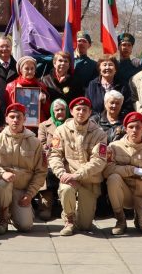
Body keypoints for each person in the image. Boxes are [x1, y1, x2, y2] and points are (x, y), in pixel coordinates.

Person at [0, 102, 48, 234]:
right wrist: (1, 172)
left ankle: (16, 211)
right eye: (12, 117)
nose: (15, 120)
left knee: (25, 226)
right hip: (1, 185)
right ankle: (3, 219)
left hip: (22, 190)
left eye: (19, 117)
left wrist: (29, 194)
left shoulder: (35, 142)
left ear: (24, 119)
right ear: (6, 119)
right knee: (3, 184)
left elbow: (41, 171)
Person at [48, 96, 107, 236]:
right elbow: (54, 155)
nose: (81, 112)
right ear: (72, 112)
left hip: (89, 179)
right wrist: (62, 174)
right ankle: (69, 218)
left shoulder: (99, 133)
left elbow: (99, 161)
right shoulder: (61, 131)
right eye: (78, 109)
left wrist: (78, 175)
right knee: (66, 189)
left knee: (85, 226)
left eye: (84, 109)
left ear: (90, 112)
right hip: (69, 177)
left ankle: (75, 213)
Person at [105, 111, 142, 235]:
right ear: (125, 129)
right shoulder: (115, 147)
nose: (134, 130)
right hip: (125, 193)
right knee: (113, 178)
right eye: (131, 127)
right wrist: (133, 170)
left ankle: (139, 217)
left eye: (138, 127)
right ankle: (120, 220)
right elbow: (107, 170)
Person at [36, 98, 66, 220]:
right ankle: (46, 205)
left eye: (62, 110)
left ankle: (67, 207)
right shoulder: (44, 125)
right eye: (57, 110)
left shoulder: (72, 123)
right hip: (49, 157)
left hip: (67, 158)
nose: (60, 112)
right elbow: (41, 144)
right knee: (46, 172)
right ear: (52, 111)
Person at [4, 56, 47, 129]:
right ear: (20, 70)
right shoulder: (11, 86)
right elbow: (7, 108)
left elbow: (47, 110)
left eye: (32, 68)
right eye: (26, 69)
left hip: (38, 126)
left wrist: (44, 101)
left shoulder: (41, 86)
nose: (30, 71)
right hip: (17, 126)